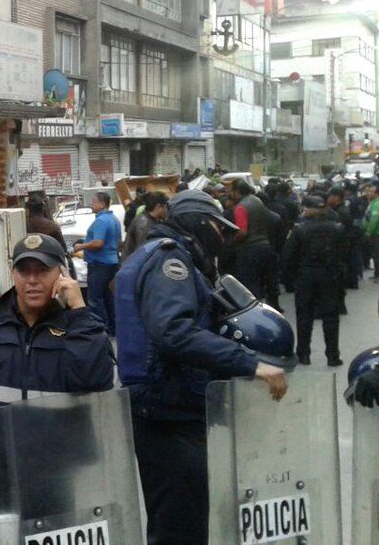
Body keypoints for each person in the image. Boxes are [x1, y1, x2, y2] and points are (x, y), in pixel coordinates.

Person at [113, 189, 289, 545]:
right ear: (197, 222)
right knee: (180, 526)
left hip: (163, 406)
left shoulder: (157, 253)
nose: (221, 237)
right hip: (167, 411)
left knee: (179, 518)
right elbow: (174, 331)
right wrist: (249, 363)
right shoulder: (171, 262)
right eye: (216, 227)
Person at [0, 234, 113, 545]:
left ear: (62, 275)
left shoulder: (79, 327)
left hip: (53, 479)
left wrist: (79, 310)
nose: (32, 281)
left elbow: (97, 381)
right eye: (23, 271)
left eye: (42, 271)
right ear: (12, 273)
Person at [281, 196, 347, 367]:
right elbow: (344, 254)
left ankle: (303, 354)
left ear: (310, 210)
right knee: (331, 317)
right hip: (330, 276)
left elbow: (288, 257)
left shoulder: (299, 230)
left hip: (306, 277)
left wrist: (292, 278)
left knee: (304, 316)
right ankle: (333, 355)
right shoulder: (338, 229)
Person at [72, 192, 121, 334]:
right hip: (112, 262)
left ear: (102, 204)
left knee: (94, 298)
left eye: (94, 201)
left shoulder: (101, 221)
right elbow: (118, 243)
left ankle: (101, 328)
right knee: (107, 297)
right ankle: (113, 328)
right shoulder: (114, 219)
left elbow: (98, 243)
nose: (91, 204)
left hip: (100, 263)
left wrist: (81, 246)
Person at [222, 181, 276, 299]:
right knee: (264, 281)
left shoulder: (240, 207)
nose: (229, 194)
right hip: (265, 247)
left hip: (249, 250)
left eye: (231, 191)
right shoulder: (257, 201)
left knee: (251, 285)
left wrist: (233, 242)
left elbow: (242, 232)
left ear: (237, 192)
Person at [123, 191, 168, 258]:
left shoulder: (153, 219)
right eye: (166, 207)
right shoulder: (144, 224)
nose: (167, 210)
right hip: (134, 265)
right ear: (159, 207)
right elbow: (142, 252)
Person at [364, 184, 379, 281]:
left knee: (377, 254)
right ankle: (376, 273)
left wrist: (369, 231)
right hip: (374, 233)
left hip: (376, 234)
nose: (368, 193)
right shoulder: (372, 202)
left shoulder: (376, 204)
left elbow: (374, 219)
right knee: (375, 254)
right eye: (368, 191)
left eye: (371, 192)